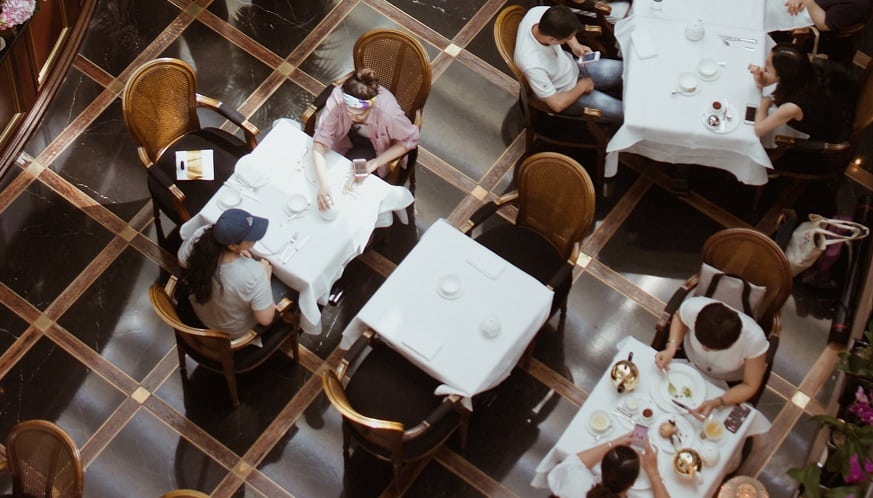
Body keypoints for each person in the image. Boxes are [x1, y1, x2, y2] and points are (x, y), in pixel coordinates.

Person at [311, 68, 420, 211]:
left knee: (353, 195)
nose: (352, 117)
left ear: (371, 107)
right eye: (348, 112)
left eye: (359, 115)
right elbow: (320, 139)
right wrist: (323, 184)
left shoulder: (388, 113)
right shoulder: (338, 97)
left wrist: (376, 162)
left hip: (378, 148)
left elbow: (410, 139)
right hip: (344, 138)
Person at [655, 297, 769, 417]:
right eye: (701, 343)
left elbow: (750, 385)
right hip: (689, 363)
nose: (704, 349)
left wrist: (718, 402)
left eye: (711, 348)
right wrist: (671, 347)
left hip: (724, 382)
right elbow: (679, 318)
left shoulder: (753, 341)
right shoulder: (695, 308)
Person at [747, 43, 853, 172]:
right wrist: (761, 77)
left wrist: (765, 103)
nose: (764, 66)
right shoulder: (805, 72)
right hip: (835, 113)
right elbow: (766, 81)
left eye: (768, 65)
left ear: (783, 74)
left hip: (818, 147)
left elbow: (758, 130)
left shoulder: (793, 106)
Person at [514, 5, 624, 123]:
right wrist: (581, 87)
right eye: (568, 37)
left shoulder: (539, 13)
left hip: (574, 67)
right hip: (567, 94)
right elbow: (557, 104)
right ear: (551, 39)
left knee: (626, 69)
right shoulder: (532, 64)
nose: (571, 38)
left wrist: (575, 46)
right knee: (622, 111)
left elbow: (564, 26)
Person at [177, 208, 275, 338]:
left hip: (199, 311)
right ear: (233, 246)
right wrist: (266, 277)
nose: (254, 240)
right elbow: (265, 319)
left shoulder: (201, 235)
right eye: (251, 239)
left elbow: (182, 261)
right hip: (228, 332)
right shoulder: (254, 274)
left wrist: (237, 253)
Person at [547, 433, 670, 498]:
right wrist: (654, 473)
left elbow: (574, 461)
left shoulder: (577, 481)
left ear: (602, 469)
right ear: (632, 483)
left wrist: (614, 443)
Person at [784, 0, 873, 32]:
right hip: (799, 6)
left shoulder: (859, 4)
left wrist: (808, 1)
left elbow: (823, 25)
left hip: (816, 28)